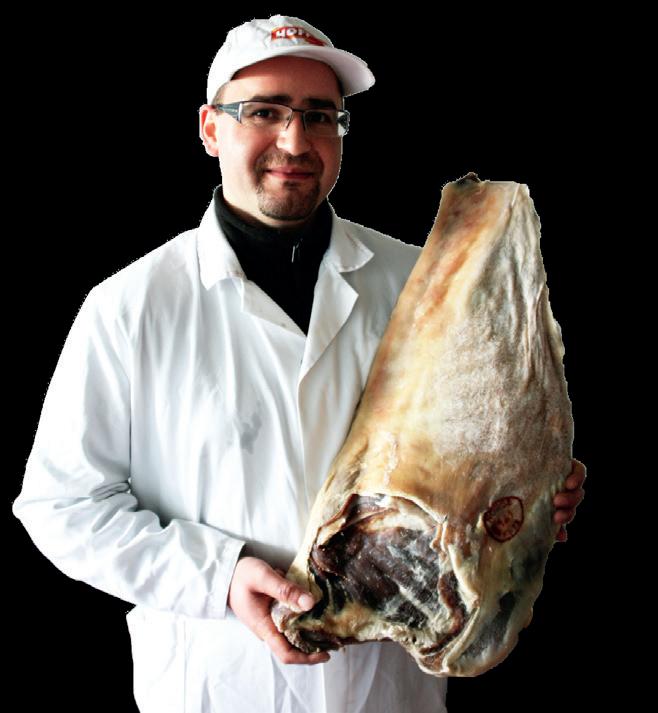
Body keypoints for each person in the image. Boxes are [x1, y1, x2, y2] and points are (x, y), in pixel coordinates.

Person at [12, 13, 586, 713]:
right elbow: (63, 505)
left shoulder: (423, 284)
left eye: (319, 116)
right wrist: (219, 576)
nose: (294, 140)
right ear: (210, 128)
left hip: (389, 693)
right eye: (264, 112)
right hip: (220, 686)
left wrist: (531, 492)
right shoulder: (132, 307)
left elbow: (478, 458)